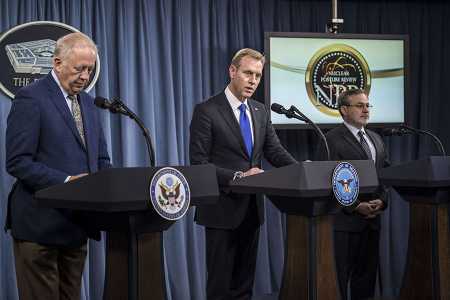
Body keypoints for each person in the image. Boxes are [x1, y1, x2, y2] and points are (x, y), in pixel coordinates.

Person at [5, 32, 111, 300]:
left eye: (90, 69)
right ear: (57, 63)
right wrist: (67, 183)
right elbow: (18, 162)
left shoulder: (87, 101)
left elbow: (101, 159)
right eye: (79, 69)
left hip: (75, 227)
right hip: (39, 226)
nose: (85, 76)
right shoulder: (31, 98)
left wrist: (109, 183)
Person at [189, 48, 297, 300]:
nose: (253, 81)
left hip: (251, 209)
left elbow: (275, 151)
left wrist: (300, 169)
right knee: (221, 285)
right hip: (221, 210)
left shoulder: (260, 111)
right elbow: (199, 163)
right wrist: (238, 177)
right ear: (232, 71)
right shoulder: (207, 110)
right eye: (248, 73)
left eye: (258, 76)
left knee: (244, 284)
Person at [316, 88, 389, 300]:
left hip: (372, 222)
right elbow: (326, 179)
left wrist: (382, 201)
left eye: (367, 105)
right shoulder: (331, 139)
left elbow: (385, 174)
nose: (366, 110)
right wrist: (355, 205)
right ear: (344, 110)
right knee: (338, 281)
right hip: (344, 223)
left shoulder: (376, 138)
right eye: (360, 105)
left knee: (366, 281)